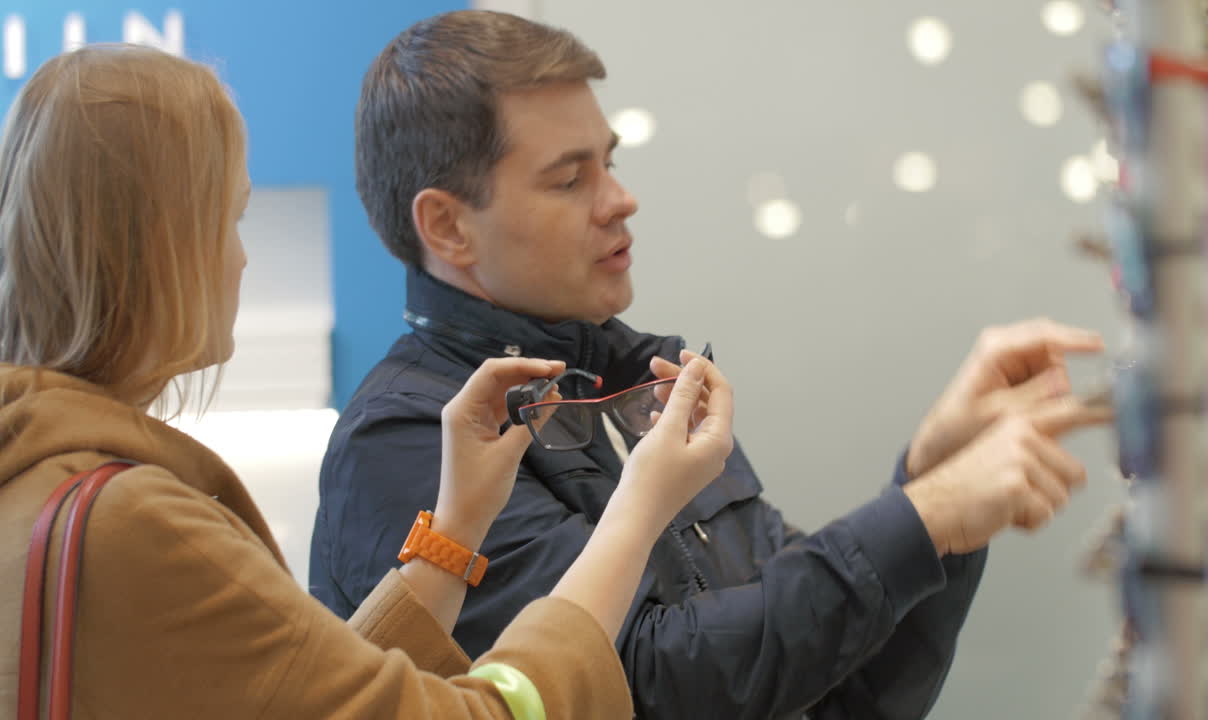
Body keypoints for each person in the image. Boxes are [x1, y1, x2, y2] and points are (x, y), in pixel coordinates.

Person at [310, 10, 1113, 720]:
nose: (619, 199)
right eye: (569, 178)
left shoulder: (641, 379)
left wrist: (934, 488)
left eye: (610, 161)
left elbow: (836, 690)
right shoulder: (408, 441)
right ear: (448, 227)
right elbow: (639, 688)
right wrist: (923, 515)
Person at [0, 44, 736, 719]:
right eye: (231, 220)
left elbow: (318, 693)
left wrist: (452, 533)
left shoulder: (33, 478)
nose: (242, 262)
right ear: (160, 247)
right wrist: (639, 509)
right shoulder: (137, 524)